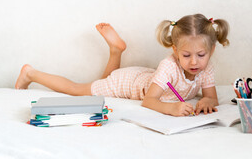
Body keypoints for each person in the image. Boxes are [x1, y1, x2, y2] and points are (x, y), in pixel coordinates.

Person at [15, 14, 230, 117]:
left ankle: (116, 50)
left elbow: (211, 96)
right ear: (175, 51)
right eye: (186, 55)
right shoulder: (168, 67)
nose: (194, 62)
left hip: (140, 76)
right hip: (126, 84)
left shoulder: (206, 68)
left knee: (102, 80)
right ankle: (31, 73)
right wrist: (171, 108)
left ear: (210, 51)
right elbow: (149, 101)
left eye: (201, 55)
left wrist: (206, 102)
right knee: (77, 90)